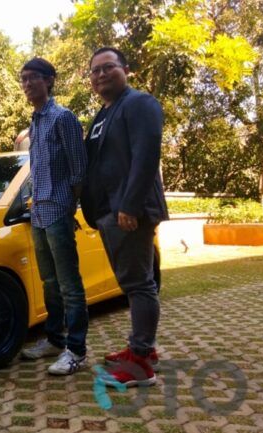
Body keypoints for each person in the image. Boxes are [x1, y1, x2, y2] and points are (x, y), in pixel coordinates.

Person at [81, 47, 169, 387]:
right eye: (95, 71)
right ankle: (143, 349)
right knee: (132, 282)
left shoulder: (139, 103)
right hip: (109, 212)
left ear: (126, 70)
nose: (101, 74)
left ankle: (140, 363)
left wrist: (130, 206)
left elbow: (146, 156)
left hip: (129, 211)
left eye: (108, 67)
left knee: (139, 283)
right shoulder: (103, 114)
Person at [18, 57, 89, 376]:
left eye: (33, 77)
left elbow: (79, 169)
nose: (27, 84)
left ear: (49, 80)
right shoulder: (34, 123)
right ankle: (54, 340)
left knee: (69, 284)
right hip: (38, 214)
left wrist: (67, 206)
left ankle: (77, 350)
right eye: (23, 79)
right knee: (49, 282)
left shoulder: (63, 118)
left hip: (58, 211)